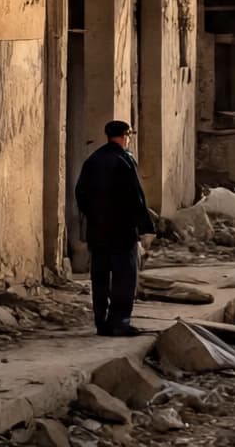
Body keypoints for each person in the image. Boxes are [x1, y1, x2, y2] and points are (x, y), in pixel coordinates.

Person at [74, 120, 155, 336]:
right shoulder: (124, 160)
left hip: (98, 231)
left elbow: (80, 193)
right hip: (122, 231)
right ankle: (119, 322)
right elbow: (135, 196)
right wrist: (144, 226)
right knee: (124, 277)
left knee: (100, 277)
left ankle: (101, 322)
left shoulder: (93, 160)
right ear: (124, 136)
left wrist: (93, 215)